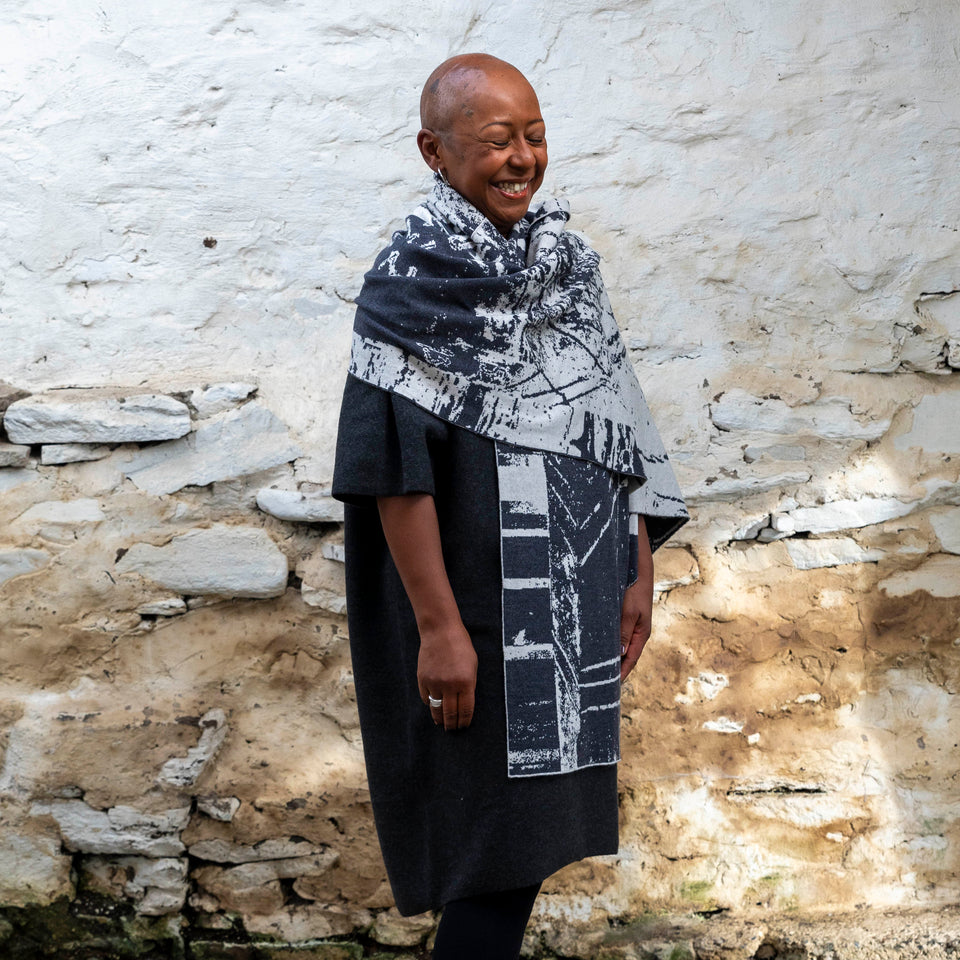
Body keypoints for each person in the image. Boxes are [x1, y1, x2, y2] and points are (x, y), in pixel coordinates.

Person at [332, 53, 688, 960]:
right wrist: (438, 631)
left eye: (534, 135)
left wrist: (639, 566)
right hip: (482, 613)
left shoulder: (565, 264)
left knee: (527, 846)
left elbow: (616, 421)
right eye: (497, 141)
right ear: (435, 150)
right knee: (493, 846)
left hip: (576, 592)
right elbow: (394, 471)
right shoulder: (413, 282)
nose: (522, 157)